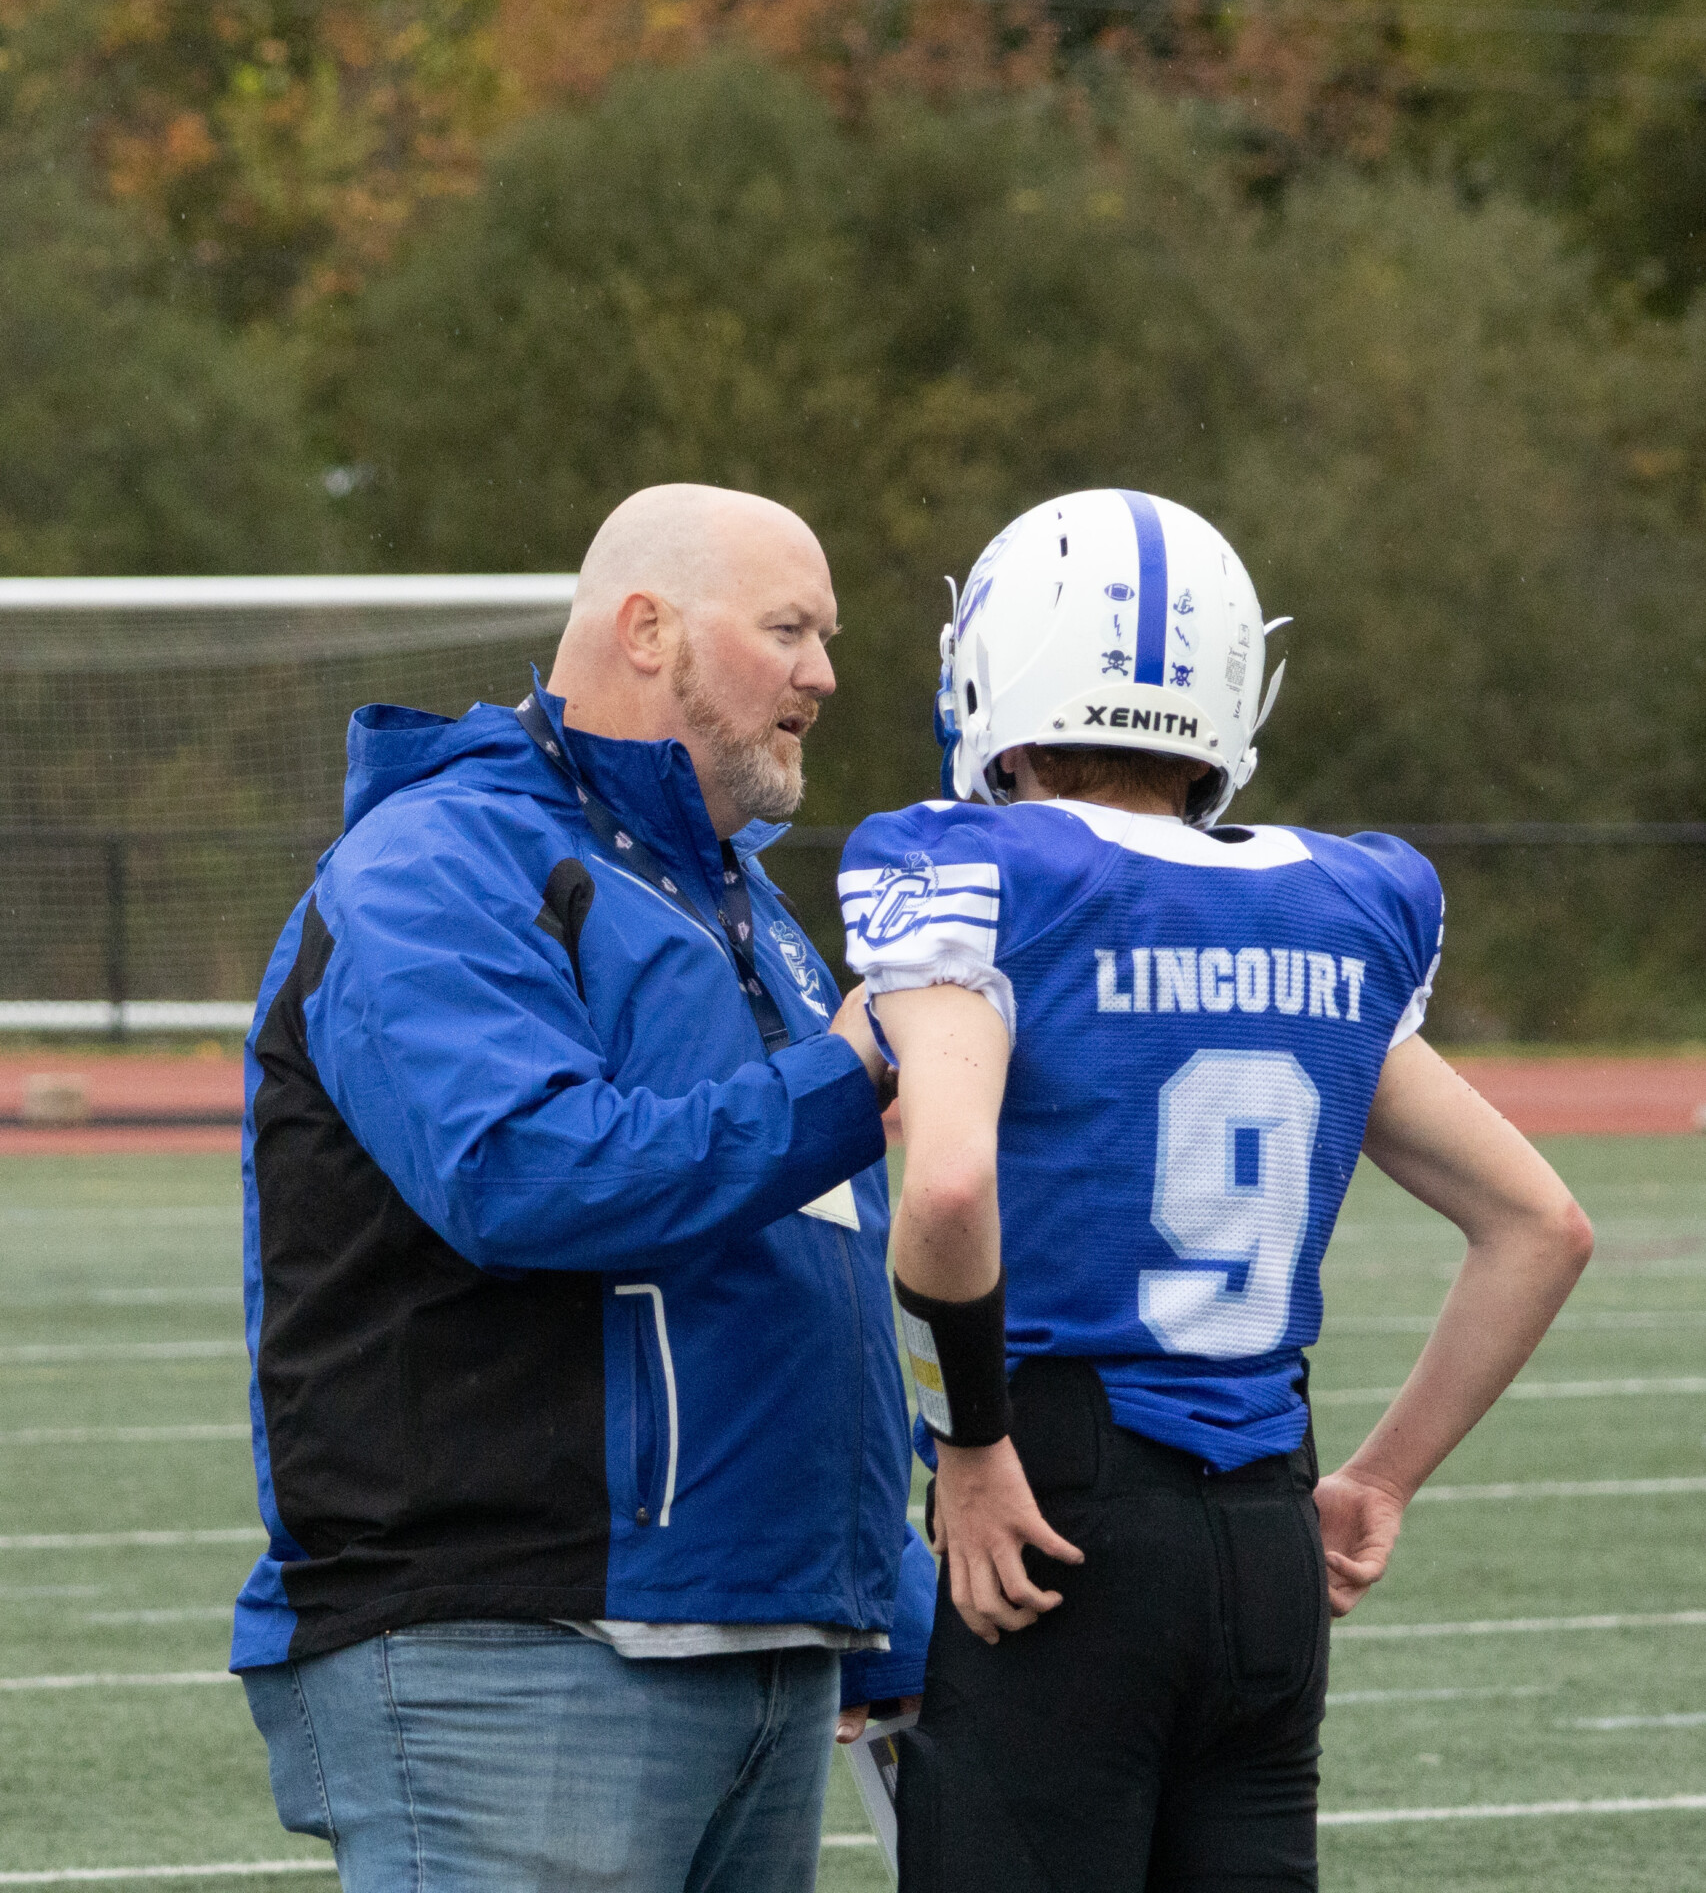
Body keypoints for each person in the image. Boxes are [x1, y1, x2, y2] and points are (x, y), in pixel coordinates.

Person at [837, 487, 1594, 1892]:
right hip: (1267, 1529)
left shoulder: (976, 869)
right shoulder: (1345, 900)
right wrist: (1380, 1482)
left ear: (994, 669)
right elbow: (1540, 1225)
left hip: (1059, 1510)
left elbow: (943, 1187)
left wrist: (972, 1443)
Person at [234, 483, 927, 1893]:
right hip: (513, 1640)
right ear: (647, 629)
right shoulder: (437, 862)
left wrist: (886, 1602)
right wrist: (847, 1079)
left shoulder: (736, 899)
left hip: (762, 1637)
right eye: (788, 630)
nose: (822, 674)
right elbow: (525, 1173)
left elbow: (808, 1271)